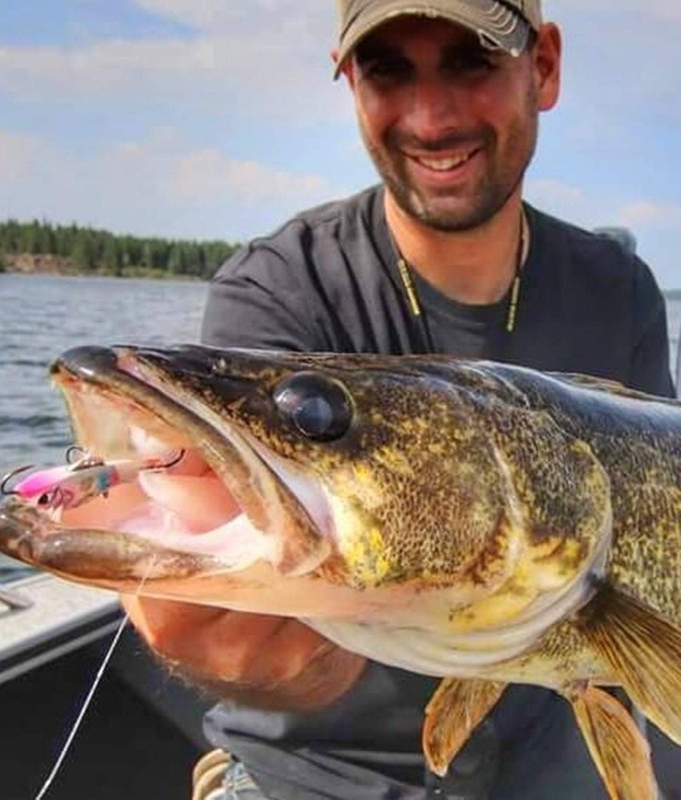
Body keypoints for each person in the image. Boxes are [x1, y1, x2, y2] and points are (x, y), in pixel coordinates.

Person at [122, 1, 677, 798]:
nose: (430, 118)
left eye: (471, 61)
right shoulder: (278, 291)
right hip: (318, 778)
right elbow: (300, 635)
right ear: (351, 82)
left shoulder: (620, 292)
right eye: (389, 70)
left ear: (545, 67)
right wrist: (256, 647)